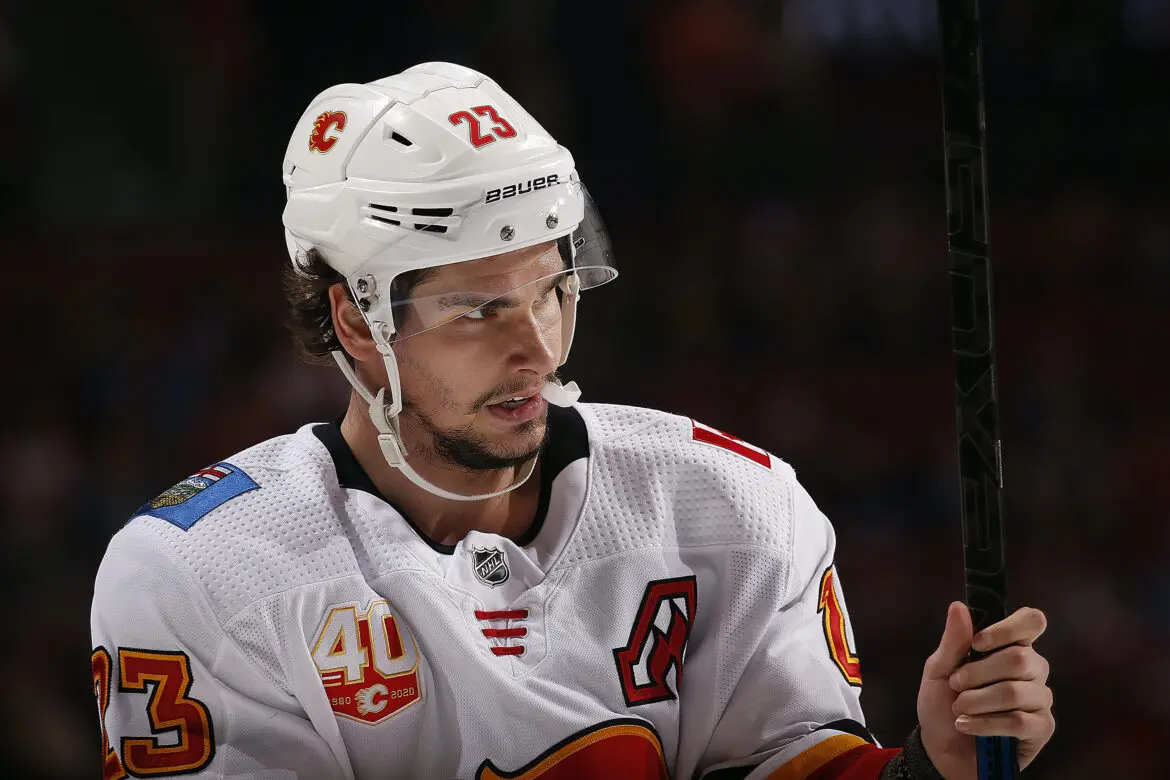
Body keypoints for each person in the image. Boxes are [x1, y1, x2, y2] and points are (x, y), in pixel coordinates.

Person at [90, 62, 1054, 780]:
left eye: (553, 291)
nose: (539, 350)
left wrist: (930, 768)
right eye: (477, 311)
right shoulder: (198, 571)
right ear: (355, 317)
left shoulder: (734, 503)